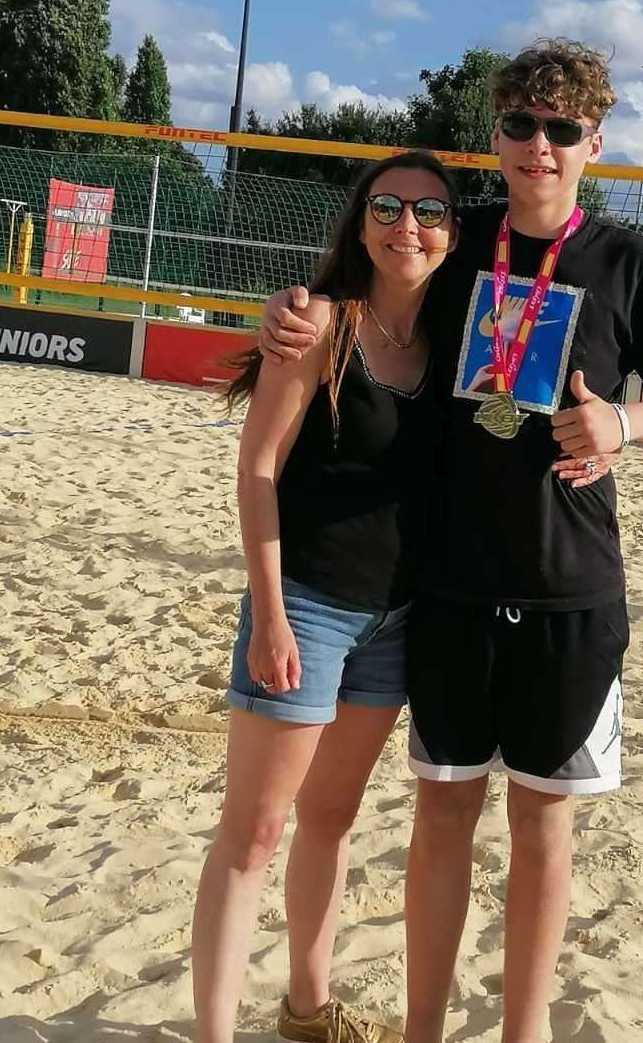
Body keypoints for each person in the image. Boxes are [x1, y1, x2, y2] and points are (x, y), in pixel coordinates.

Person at [257, 39, 643, 1043]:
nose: (537, 145)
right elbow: (361, 299)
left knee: (544, 828)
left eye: (559, 129)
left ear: (593, 141)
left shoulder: (627, 260)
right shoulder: (460, 241)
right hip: (452, 588)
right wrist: (290, 308)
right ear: (495, 134)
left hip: (569, 590)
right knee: (441, 820)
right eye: (519, 125)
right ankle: (423, 1028)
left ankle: (521, 1033)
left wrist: (624, 425)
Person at [191, 152, 453, 1043]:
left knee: (331, 822)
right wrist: (267, 611)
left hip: (395, 618)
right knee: (253, 835)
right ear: (360, 221)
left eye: (428, 212)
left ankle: (305, 1009)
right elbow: (258, 468)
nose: (406, 225)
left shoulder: (459, 343)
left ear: (454, 234)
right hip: (305, 604)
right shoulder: (320, 324)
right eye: (387, 206)